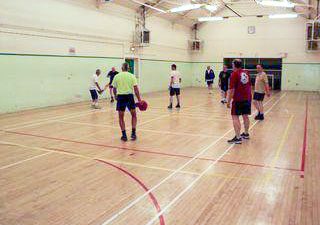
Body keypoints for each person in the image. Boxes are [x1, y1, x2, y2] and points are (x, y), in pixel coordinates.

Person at [112, 63, 142, 141]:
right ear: (128, 68)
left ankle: (124, 135)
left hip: (121, 97)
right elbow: (136, 89)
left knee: (121, 117)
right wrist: (139, 100)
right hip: (129, 97)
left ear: (122, 68)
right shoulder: (132, 76)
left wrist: (115, 96)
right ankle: (133, 133)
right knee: (134, 115)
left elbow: (114, 89)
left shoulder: (117, 76)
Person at [227, 59, 252, 144]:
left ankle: (237, 137)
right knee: (245, 116)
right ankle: (246, 133)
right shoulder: (246, 73)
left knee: (235, 117)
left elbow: (232, 89)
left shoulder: (234, 74)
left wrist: (228, 101)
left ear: (234, 65)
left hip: (238, 99)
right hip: (247, 98)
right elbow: (250, 86)